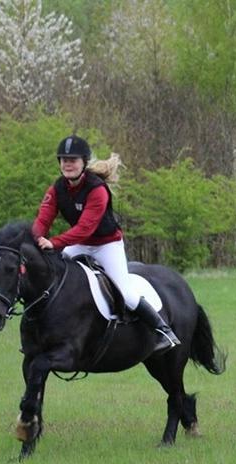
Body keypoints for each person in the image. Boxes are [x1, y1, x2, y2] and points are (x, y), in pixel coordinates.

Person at [33, 134, 179, 352]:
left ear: (83, 162)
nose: (67, 164)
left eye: (72, 160)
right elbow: (43, 219)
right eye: (63, 159)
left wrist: (54, 243)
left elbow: (85, 228)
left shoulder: (97, 189)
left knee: (126, 293)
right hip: (79, 244)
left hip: (106, 245)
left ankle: (163, 331)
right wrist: (35, 239)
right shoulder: (57, 189)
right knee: (56, 276)